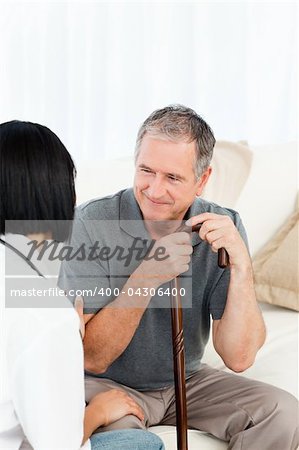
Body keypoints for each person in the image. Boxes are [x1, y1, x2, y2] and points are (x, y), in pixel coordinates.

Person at [60, 105, 299, 449]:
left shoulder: (222, 225)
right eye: (146, 171)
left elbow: (239, 358)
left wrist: (243, 267)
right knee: (129, 443)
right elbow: (91, 358)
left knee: (284, 414)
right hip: (106, 385)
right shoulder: (90, 223)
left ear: (202, 180)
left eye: (172, 178)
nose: (155, 190)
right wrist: (148, 274)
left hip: (186, 380)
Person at [0, 120, 165, 450]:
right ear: (58, 194)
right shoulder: (47, 315)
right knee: (144, 444)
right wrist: (99, 411)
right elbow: (58, 445)